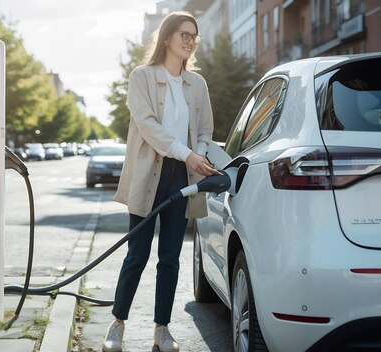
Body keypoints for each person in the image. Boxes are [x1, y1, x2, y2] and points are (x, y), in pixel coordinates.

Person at [103, 11, 217, 352]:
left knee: (170, 257)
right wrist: (188, 153)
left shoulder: (197, 84)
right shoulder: (142, 77)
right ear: (166, 37)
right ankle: (118, 325)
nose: (189, 41)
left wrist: (199, 153)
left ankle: (162, 330)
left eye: (194, 36)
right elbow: (149, 125)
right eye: (184, 34)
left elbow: (205, 128)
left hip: (182, 178)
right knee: (136, 254)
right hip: (149, 175)